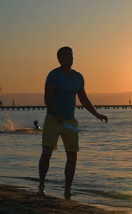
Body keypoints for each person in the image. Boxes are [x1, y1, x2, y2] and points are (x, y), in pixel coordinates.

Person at [38, 46, 108, 199]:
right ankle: (41, 185)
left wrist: (96, 114)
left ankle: (67, 190)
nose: (70, 57)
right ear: (59, 58)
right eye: (66, 55)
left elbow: (83, 99)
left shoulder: (78, 77)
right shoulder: (53, 75)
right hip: (53, 120)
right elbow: (47, 99)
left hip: (70, 122)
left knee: (72, 156)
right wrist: (56, 114)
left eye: (71, 55)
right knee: (47, 152)